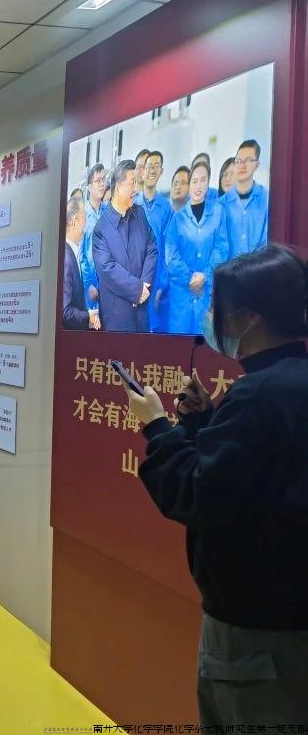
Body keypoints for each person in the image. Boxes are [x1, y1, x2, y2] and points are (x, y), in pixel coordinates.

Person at [122, 245, 308, 728]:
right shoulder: (289, 384)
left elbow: (197, 494)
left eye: (217, 306)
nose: (210, 317)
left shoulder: (259, 395)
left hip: (255, 637)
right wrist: (204, 421)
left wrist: (157, 427)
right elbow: (254, 478)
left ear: (250, 315)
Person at [92, 159, 158, 333]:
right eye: (132, 183)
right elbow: (107, 269)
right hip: (117, 317)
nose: (136, 189)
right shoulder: (101, 229)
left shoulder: (140, 214)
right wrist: (137, 290)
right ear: (118, 188)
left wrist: (144, 285)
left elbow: (152, 248)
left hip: (142, 312)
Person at [166, 162, 230, 335]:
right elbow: (171, 256)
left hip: (206, 293)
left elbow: (221, 248)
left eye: (203, 180)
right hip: (181, 294)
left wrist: (205, 275)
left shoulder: (218, 212)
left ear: (208, 182)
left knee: (204, 342)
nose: (198, 186)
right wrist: (190, 278)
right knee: (178, 345)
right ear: (189, 184)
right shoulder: (178, 218)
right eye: (194, 181)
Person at [135, 151, 174, 332]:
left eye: (156, 167)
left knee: (152, 326)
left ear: (161, 172)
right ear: (143, 171)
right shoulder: (132, 204)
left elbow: (168, 246)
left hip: (157, 275)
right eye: (149, 166)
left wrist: (163, 281)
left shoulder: (166, 207)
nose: (152, 171)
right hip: (134, 274)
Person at [220, 139, 269, 259]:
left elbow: (268, 242)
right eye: (238, 161)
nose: (242, 165)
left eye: (248, 160)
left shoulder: (267, 199)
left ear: (257, 165)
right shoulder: (220, 205)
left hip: (258, 267)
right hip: (228, 268)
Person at [62, 195, 98, 330]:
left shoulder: (72, 252)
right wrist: (88, 316)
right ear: (74, 222)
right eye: (85, 217)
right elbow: (65, 312)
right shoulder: (66, 258)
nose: (87, 224)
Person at [80, 163, 107, 311]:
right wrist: (89, 284)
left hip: (108, 283)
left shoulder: (109, 212)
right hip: (89, 285)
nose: (102, 184)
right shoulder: (82, 214)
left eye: (104, 179)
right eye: (98, 180)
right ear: (89, 187)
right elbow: (80, 254)